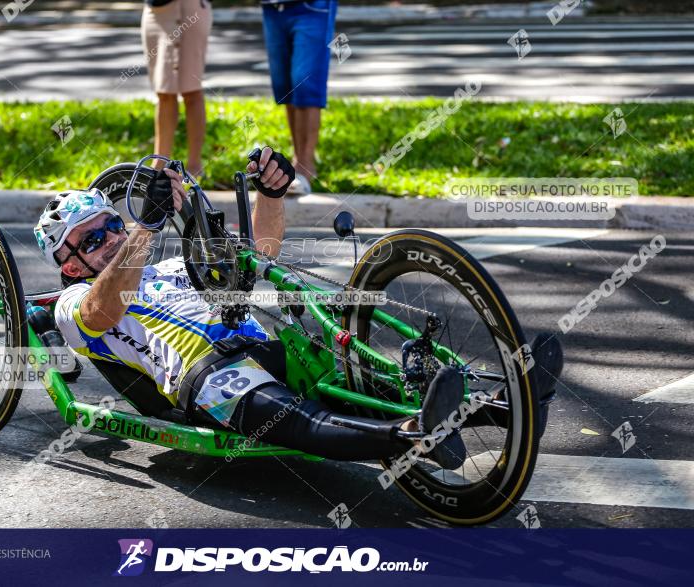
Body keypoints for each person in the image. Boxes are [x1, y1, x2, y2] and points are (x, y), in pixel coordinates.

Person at [33, 148, 562, 466]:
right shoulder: (76, 301)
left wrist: (273, 191)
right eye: (90, 238)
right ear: (71, 263)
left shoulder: (169, 267)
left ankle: (513, 405)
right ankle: (413, 439)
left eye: (109, 225)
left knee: (365, 383)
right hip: (207, 377)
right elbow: (104, 313)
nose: (106, 236)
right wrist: (144, 229)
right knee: (303, 421)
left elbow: (257, 253)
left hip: (262, 346)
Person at [260, 0, 338, 195]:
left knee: (306, 81)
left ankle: (305, 166)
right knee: (286, 86)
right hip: (272, 8)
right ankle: (298, 161)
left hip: (312, 7)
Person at [141, 0, 212, 178]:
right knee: (164, 92)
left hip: (190, 9)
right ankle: (158, 166)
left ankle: (195, 168)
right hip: (155, 12)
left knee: (192, 91)